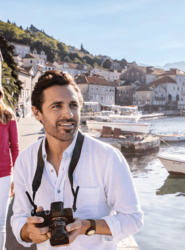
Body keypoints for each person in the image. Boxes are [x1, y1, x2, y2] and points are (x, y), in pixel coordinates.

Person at [11, 70, 143, 249]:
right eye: (57, 106)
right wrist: (28, 232)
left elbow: (133, 219)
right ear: (37, 113)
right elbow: (18, 217)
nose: (69, 114)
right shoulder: (25, 162)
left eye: (73, 105)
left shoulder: (108, 158)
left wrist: (89, 226)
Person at [0, 84, 19, 250]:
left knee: (0, 223)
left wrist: (16, 178)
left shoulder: (8, 116)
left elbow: (15, 148)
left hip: (4, 175)